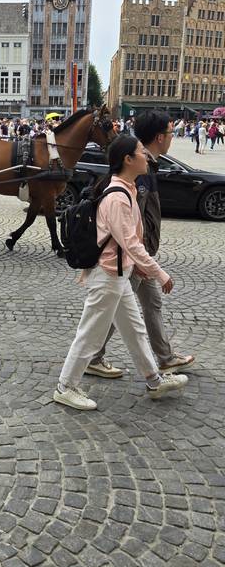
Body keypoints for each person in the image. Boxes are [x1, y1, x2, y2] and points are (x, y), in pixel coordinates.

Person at [53, 134, 188, 411]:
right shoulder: (118, 196)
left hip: (118, 274)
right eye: (141, 152)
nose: (147, 157)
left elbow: (129, 245)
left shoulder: (128, 189)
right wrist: (159, 273)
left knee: (135, 330)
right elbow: (131, 244)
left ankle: (153, 379)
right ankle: (65, 387)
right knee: (90, 333)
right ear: (128, 159)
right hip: (107, 276)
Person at [87, 110, 194, 379]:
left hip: (140, 255)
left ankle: (165, 358)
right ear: (160, 137)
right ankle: (94, 357)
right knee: (119, 310)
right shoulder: (139, 168)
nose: (172, 137)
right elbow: (134, 222)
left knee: (151, 304)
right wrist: (144, 260)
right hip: (134, 256)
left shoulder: (146, 164)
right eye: (170, 133)